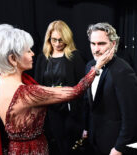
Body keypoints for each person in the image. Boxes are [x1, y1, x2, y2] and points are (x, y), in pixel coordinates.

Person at [0, 24, 114, 155]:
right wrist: (96, 68)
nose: (32, 53)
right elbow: (75, 91)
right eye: (28, 51)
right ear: (13, 59)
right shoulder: (25, 93)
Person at [83, 22, 137, 155]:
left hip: (114, 144)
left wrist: (119, 147)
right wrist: (86, 129)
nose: (96, 49)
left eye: (101, 44)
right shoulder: (89, 66)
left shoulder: (123, 70)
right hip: (94, 140)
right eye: (93, 43)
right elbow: (89, 103)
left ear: (113, 44)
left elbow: (130, 115)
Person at [34, 20, 86, 155]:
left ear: (67, 39)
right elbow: (37, 87)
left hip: (70, 111)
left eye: (61, 40)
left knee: (69, 149)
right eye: (54, 40)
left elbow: (83, 87)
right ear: (48, 39)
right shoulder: (42, 58)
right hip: (50, 111)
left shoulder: (74, 57)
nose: (57, 44)